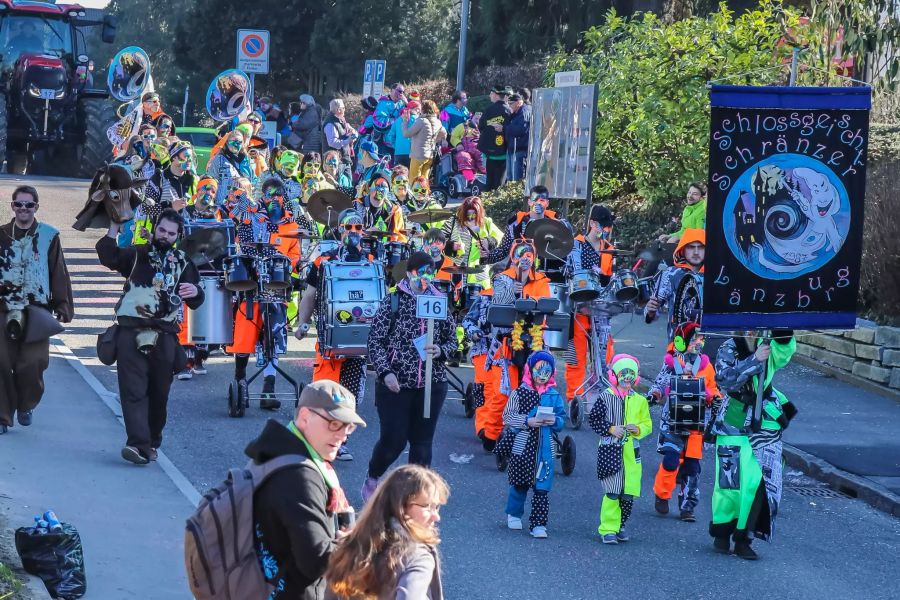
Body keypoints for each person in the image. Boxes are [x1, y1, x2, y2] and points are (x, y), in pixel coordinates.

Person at [98, 209, 204, 464]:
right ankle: (137, 445)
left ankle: (151, 441)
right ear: (155, 229)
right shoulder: (137, 254)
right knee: (132, 392)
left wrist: (195, 291)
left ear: (178, 236)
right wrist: (114, 226)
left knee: (159, 395)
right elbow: (108, 255)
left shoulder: (182, 261)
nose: (165, 236)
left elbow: (197, 300)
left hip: (164, 336)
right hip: (130, 332)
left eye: (171, 233)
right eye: (162, 230)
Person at [245, 380, 365, 599]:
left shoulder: (276, 452)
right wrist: (352, 545)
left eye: (349, 427)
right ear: (305, 417)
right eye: (334, 423)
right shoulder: (299, 475)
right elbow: (315, 560)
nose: (343, 434)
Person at [361, 252, 458, 502]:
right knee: (394, 441)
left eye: (431, 271)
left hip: (431, 383)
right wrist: (385, 372)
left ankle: (415, 496)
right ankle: (373, 478)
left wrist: (441, 350)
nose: (427, 277)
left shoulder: (439, 300)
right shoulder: (393, 300)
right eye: (422, 271)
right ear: (410, 272)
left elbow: (452, 339)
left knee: (422, 443)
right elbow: (376, 341)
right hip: (396, 384)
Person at [710, 329, 797, 560]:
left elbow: (785, 352)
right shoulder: (729, 345)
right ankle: (722, 532)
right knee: (729, 484)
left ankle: (743, 538)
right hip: (734, 423)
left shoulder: (767, 342)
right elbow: (724, 380)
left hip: (765, 426)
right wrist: (754, 359)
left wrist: (783, 331)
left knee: (758, 483)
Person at [295, 210, 373, 460]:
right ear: (339, 230)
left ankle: (340, 439)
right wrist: (302, 323)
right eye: (348, 227)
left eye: (358, 227)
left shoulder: (371, 260)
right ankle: (317, 438)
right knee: (327, 389)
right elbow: (310, 294)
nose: (353, 232)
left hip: (359, 334)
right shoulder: (323, 261)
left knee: (352, 392)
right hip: (330, 334)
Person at [0, 186, 74, 435]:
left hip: (36, 309)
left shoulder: (49, 236)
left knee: (34, 363)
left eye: (28, 205)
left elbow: (58, 271)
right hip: (4, 305)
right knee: (1, 362)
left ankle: (26, 404)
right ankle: (2, 416)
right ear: (12, 206)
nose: (23, 209)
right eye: (19, 204)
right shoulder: (1, 235)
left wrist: (63, 304)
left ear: (36, 208)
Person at [227, 179, 299, 409]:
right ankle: (240, 379)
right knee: (245, 335)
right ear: (262, 196)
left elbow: (296, 254)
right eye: (269, 195)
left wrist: (291, 264)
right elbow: (233, 218)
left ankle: (269, 388)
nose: (274, 199)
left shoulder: (291, 222)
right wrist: (244, 203)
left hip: (277, 289)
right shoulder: (251, 213)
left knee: (274, 337)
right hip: (250, 287)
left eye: (278, 195)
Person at [327, 465, 448, 600]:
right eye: (427, 506)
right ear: (401, 506)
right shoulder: (417, 557)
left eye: (436, 507)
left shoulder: (353, 543)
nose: (436, 516)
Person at [476, 241, 552, 451]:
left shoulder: (542, 280)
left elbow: (546, 303)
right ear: (513, 257)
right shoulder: (502, 279)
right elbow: (498, 305)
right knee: (502, 395)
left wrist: (527, 294)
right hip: (506, 345)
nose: (525, 258)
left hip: (533, 345)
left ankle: (528, 436)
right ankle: (491, 436)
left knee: (534, 392)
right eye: (521, 254)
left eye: (529, 254)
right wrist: (513, 292)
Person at [648, 322, 721, 522]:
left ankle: (687, 506)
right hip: (673, 421)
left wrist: (715, 399)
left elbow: (712, 388)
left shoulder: (706, 367)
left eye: (701, 338)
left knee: (692, 468)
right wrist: (654, 395)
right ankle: (662, 493)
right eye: (695, 338)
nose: (699, 342)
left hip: (696, 424)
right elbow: (660, 384)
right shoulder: (672, 363)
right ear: (683, 341)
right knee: (671, 461)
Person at [496, 350, 566, 538]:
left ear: (552, 373)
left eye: (546, 372)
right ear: (530, 370)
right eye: (538, 370)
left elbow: (561, 418)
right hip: (522, 445)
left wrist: (555, 422)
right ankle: (514, 513)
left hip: (545, 448)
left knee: (542, 487)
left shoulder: (553, 395)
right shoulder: (520, 392)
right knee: (519, 483)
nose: (542, 376)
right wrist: (527, 421)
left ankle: (538, 524)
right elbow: (507, 416)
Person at [588, 354, 652, 544]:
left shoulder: (640, 400)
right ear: (614, 375)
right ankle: (608, 528)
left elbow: (647, 423)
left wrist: (638, 429)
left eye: (631, 375)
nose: (627, 378)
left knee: (627, 494)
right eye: (623, 374)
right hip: (610, 451)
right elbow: (594, 420)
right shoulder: (606, 397)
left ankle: (620, 525)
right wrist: (610, 428)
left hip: (632, 454)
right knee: (613, 492)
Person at [562, 204, 617, 405]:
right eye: (604, 225)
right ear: (593, 223)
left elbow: (611, 280)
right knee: (575, 356)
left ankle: (602, 398)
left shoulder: (609, 250)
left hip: (601, 309)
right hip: (579, 308)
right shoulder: (575, 245)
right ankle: (573, 399)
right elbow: (569, 273)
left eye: (609, 226)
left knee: (604, 356)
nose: (607, 229)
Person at [644, 228, 705, 341]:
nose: (696, 252)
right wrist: (650, 310)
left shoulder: (716, 276)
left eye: (700, 247)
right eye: (691, 247)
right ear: (682, 249)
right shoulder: (670, 273)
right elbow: (653, 308)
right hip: (677, 343)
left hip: (708, 343)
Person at [486, 185, 563, 265]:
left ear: (547, 203)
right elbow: (504, 250)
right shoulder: (516, 223)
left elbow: (562, 249)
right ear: (529, 202)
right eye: (534, 200)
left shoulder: (555, 224)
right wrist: (488, 256)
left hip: (545, 271)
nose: (538, 203)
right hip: (520, 269)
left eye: (542, 200)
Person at [442, 195, 503, 290]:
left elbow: (502, 239)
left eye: (474, 215)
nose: (470, 217)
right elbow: (439, 241)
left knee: (478, 302)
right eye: (467, 214)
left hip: (479, 277)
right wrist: (451, 246)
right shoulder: (452, 222)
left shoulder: (486, 223)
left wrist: (489, 242)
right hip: (454, 272)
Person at [206, 129, 254, 206]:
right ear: (227, 142)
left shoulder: (246, 160)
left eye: (239, 142)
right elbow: (211, 181)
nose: (236, 144)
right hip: (223, 204)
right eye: (234, 141)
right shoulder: (219, 159)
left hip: (243, 205)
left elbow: (252, 181)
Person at [478, 86, 512, 191]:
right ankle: (496, 203)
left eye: (491, 93)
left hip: (490, 153)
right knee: (500, 183)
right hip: (504, 152)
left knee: (489, 181)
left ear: (496, 95)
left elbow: (481, 126)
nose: (489, 96)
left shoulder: (488, 110)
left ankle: (487, 202)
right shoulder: (509, 110)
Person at [402, 100, 446, 181]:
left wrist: (405, 121)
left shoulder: (422, 121)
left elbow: (406, 134)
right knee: (424, 182)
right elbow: (444, 133)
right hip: (430, 156)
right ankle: (424, 193)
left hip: (418, 156)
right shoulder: (437, 121)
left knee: (414, 181)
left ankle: (414, 193)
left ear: (424, 109)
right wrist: (435, 140)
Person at [354, 176, 406, 242]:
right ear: (370, 187)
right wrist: (366, 233)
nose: (380, 189)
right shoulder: (356, 205)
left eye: (384, 187)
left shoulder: (396, 211)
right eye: (377, 185)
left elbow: (401, 237)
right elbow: (349, 233)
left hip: (386, 249)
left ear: (389, 191)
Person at [505, 92, 531, 182]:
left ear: (518, 102)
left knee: (517, 178)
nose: (509, 106)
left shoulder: (524, 112)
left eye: (511, 103)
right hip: (512, 149)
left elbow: (520, 130)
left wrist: (504, 128)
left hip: (520, 150)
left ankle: (518, 196)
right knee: (510, 177)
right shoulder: (515, 113)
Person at [324, 98, 357, 166]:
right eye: (343, 108)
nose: (345, 110)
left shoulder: (342, 120)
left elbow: (354, 132)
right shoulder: (330, 124)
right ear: (338, 110)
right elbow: (332, 143)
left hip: (344, 159)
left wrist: (354, 133)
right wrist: (348, 140)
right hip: (335, 162)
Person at [386, 101, 416, 168]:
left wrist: (395, 145)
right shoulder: (417, 120)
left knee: (398, 175)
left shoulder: (398, 120)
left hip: (398, 153)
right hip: (412, 153)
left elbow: (390, 136)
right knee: (411, 176)